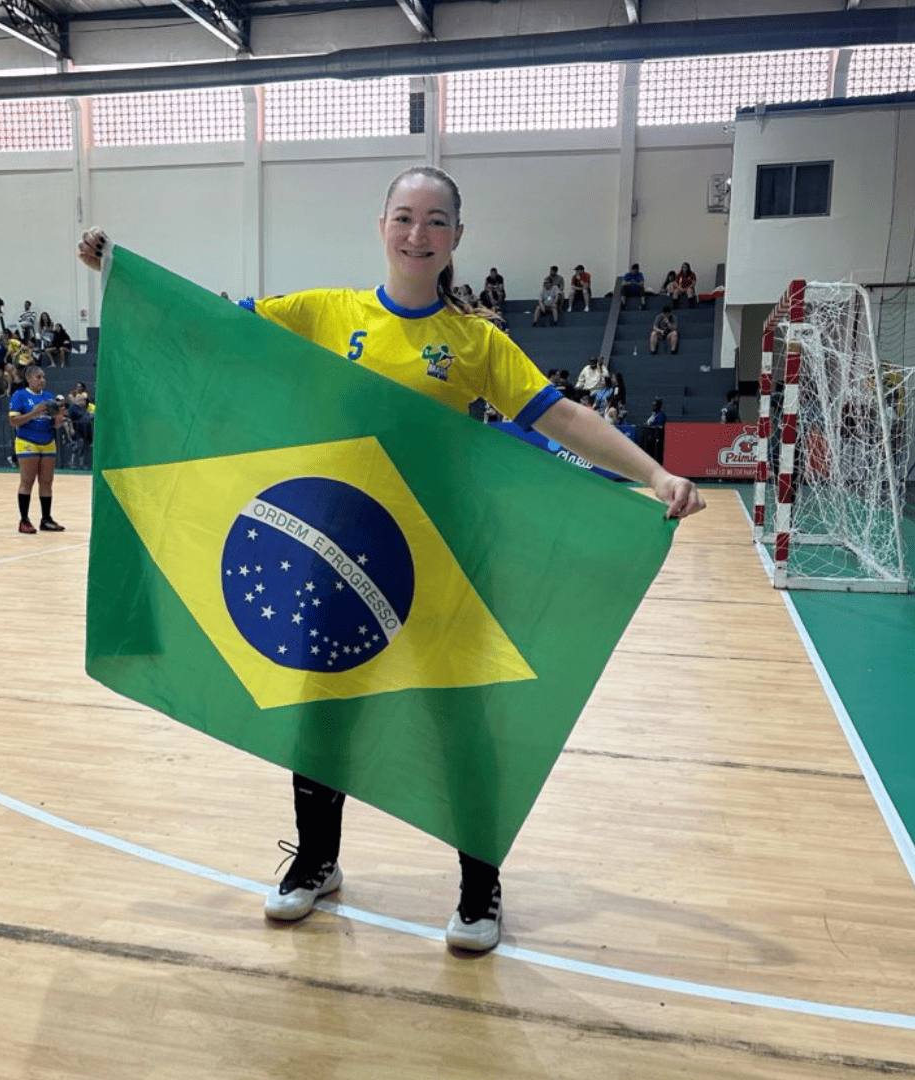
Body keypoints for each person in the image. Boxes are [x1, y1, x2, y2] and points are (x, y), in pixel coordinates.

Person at [77, 165, 704, 953]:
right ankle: (317, 861)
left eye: (436, 221)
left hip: (440, 567)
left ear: (457, 238)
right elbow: (211, 324)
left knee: (459, 729)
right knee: (324, 716)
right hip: (337, 559)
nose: (419, 234)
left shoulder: (476, 342)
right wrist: (123, 274)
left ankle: (481, 889)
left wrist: (655, 473)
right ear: (381, 226)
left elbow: (564, 416)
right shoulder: (323, 313)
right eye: (405, 217)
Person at [9, 364, 66, 534]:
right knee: (27, 481)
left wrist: (59, 416)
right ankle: (24, 520)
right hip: (27, 441)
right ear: (28, 378)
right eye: (38, 377)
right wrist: (35, 412)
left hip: (47, 440)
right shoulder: (20, 396)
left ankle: (46, 519)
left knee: (47, 482)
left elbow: (55, 424)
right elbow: (13, 421)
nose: (42, 380)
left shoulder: (49, 396)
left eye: (43, 377)